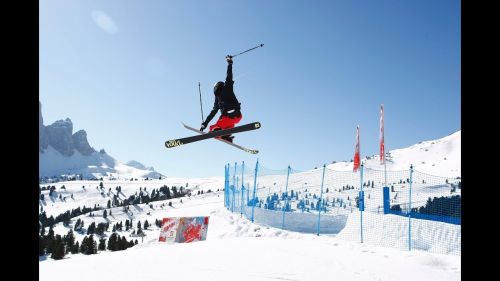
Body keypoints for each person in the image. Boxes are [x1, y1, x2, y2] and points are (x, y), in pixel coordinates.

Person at [199, 56, 242, 143]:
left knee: (214, 127)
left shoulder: (219, 96)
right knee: (228, 126)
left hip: (227, 117)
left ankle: (217, 132)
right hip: (238, 116)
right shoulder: (227, 88)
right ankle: (227, 136)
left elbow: (213, 112)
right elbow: (229, 77)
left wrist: (206, 124)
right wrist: (229, 63)